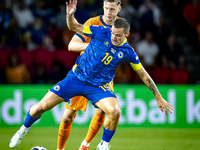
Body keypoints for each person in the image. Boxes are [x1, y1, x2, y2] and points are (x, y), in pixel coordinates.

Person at [9, 0, 173, 150]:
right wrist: (70, 15)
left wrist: (158, 96)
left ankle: (102, 145)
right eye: (113, 33)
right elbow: (74, 28)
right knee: (42, 108)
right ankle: (23, 130)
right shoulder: (101, 30)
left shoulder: (128, 51)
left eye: (118, 35)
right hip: (77, 77)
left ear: (126, 34)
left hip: (98, 85)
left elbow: (143, 74)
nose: (114, 37)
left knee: (114, 111)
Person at [57, 0, 121, 150]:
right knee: (68, 118)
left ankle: (85, 145)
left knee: (102, 111)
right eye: (106, 8)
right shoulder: (93, 22)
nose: (109, 12)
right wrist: (94, 47)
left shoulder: (121, 26)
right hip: (82, 74)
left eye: (112, 9)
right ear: (103, 7)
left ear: (119, 8)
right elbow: (72, 45)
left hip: (104, 76)